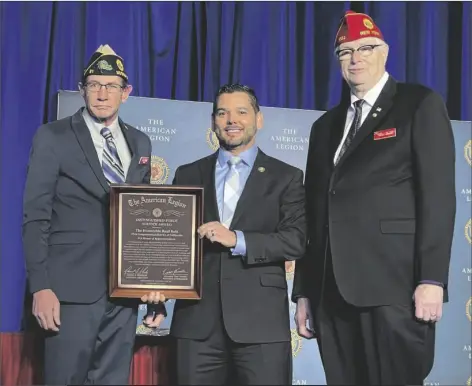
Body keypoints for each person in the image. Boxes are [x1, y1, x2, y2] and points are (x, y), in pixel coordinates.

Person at [292, 10, 456, 386]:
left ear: (385, 53)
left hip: (394, 287)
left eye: (366, 48)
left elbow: (438, 198)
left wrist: (431, 278)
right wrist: (304, 292)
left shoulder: (418, 104)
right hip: (331, 292)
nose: (356, 58)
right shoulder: (324, 127)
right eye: (346, 51)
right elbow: (314, 213)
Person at [142, 84, 306, 385]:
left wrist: (238, 239)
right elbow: (169, 244)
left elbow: (295, 240)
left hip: (261, 327)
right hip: (195, 326)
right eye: (222, 112)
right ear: (213, 122)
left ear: (259, 119)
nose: (232, 120)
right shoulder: (187, 174)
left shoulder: (287, 177)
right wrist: (158, 295)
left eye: (241, 112)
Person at [22, 44, 152, 384]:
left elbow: (144, 225)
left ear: (126, 92)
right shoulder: (53, 136)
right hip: (68, 294)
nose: (102, 93)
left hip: (123, 295)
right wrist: (41, 287)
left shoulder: (141, 143)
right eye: (94, 84)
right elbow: (36, 216)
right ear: (82, 90)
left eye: (110, 86)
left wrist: (153, 286)